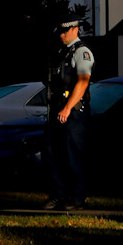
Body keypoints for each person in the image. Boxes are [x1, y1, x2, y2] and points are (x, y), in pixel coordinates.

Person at [44, 12, 93, 210]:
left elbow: (82, 82)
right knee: (52, 154)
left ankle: (77, 198)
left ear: (75, 29)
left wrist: (67, 108)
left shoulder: (82, 52)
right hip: (57, 111)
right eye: (60, 31)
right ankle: (58, 195)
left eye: (66, 31)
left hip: (73, 112)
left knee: (73, 155)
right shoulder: (60, 52)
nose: (62, 35)